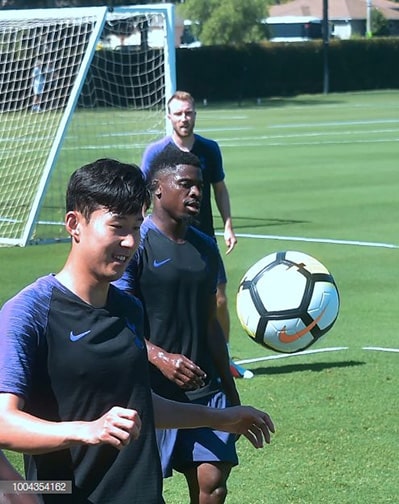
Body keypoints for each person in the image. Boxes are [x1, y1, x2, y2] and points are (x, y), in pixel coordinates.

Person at [0, 159, 274, 504]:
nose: (130, 242)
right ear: (75, 224)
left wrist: (220, 418)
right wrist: (87, 430)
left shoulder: (128, 308)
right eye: (117, 226)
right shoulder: (30, 312)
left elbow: (140, 403)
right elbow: (3, 423)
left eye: (137, 226)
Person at [115, 148, 246, 504]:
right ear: (157, 189)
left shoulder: (205, 247)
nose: (196, 193)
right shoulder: (135, 245)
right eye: (185, 184)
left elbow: (209, 323)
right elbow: (116, 320)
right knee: (141, 493)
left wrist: (230, 393)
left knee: (213, 485)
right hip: (150, 393)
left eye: (199, 186)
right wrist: (158, 357)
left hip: (205, 390)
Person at [141, 90, 251, 380]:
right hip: (166, 239)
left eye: (188, 112)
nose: (184, 118)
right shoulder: (156, 153)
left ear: (195, 115)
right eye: (178, 113)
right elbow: (145, 192)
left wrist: (228, 224)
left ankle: (223, 358)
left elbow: (220, 188)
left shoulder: (209, 149)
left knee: (219, 299)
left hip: (202, 238)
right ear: (169, 116)